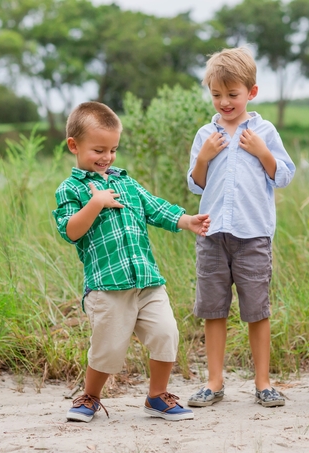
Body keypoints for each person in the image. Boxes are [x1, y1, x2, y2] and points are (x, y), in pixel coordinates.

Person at [53, 101, 211, 422]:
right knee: (108, 348)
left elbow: (155, 207)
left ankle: (157, 396)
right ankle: (90, 396)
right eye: (98, 149)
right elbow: (70, 231)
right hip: (108, 286)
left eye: (113, 149)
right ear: (74, 145)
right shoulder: (71, 189)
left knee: (166, 334)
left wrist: (185, 220)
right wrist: (96, 203)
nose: (107, 157)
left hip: (147, 281)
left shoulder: (126, 182)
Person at [185, 47, 296, 408]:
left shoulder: (263, 130)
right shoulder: (206, 134)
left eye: (232, 94)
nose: (224, 102)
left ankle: (263, 383)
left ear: (251, 92)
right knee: (213, 309)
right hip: (212, 235)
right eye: (217, 95)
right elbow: (196, 183)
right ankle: (213, 382)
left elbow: (284, 176)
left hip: (253, 236)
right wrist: (203, 157)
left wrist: (263, 152)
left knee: (256, 310)